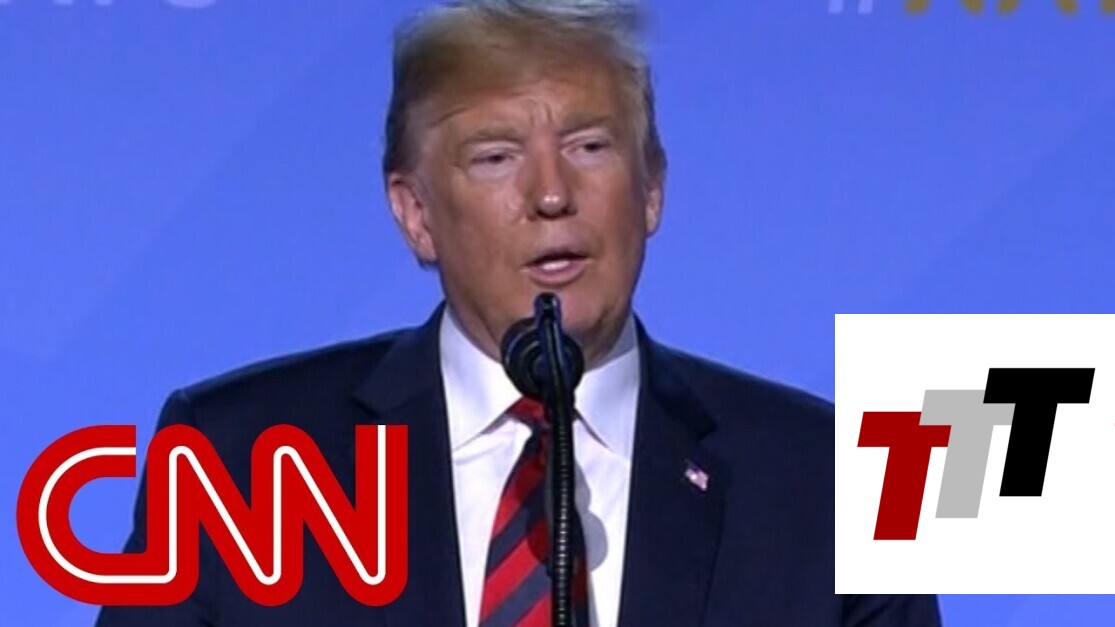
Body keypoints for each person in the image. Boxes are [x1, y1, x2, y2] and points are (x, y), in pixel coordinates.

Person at [96, 1, 941, 625]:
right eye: (496, 156)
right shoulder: (235, 461)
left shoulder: (834, 483)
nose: (550, 193)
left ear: (651, 185)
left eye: (589, 146)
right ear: (415, 213)